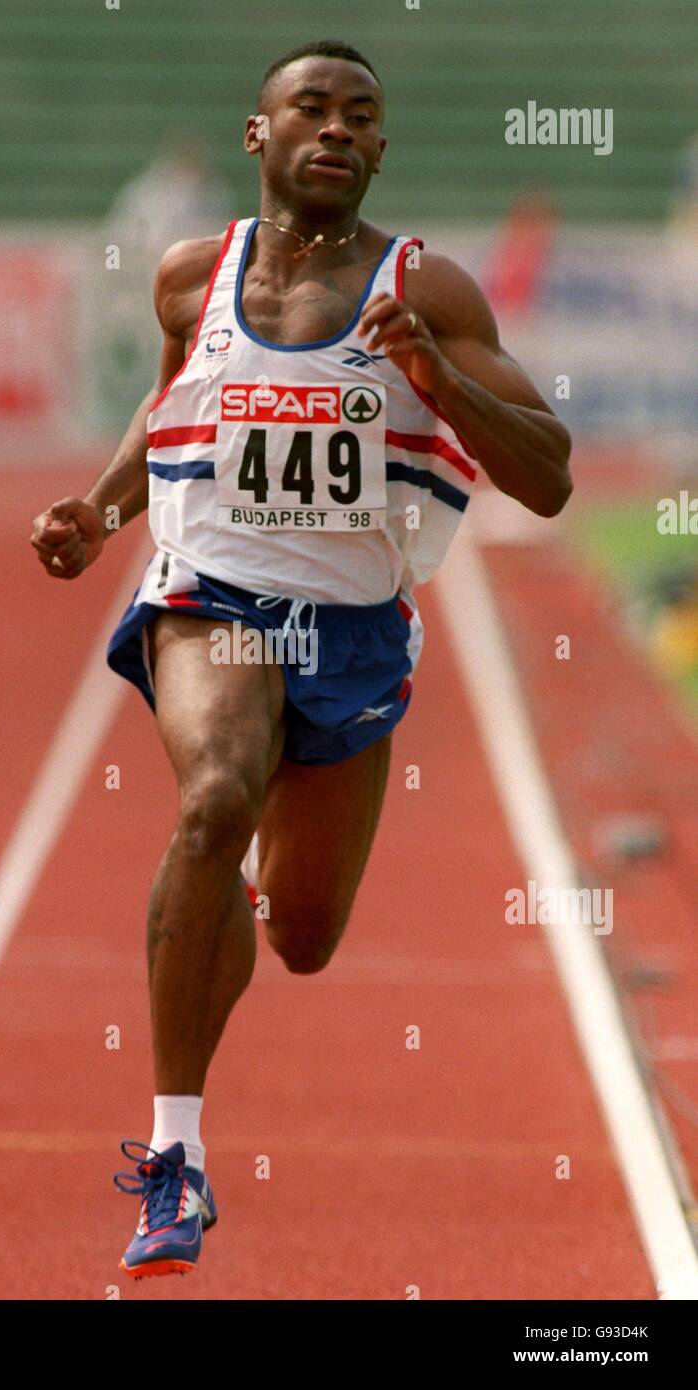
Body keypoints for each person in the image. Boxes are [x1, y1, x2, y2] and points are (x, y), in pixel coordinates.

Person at [30, 39, 573, 1281]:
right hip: (210, 595)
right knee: (212, 799)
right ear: (257, 134)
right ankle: (177, 1158)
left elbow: (549, 475)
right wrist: (102, 509)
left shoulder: (428, 292)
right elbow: (169, 406)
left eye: (361, 116)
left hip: (352, 629)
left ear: (380, 149)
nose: (335, 129)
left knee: (306, 939)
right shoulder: (190, 276)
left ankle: (244, 882)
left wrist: (439, 382)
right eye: (310, 109)